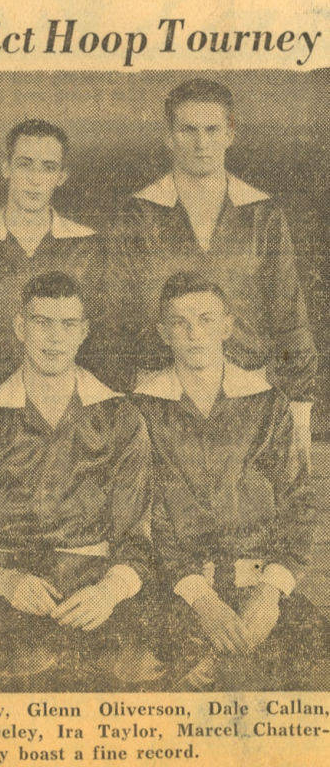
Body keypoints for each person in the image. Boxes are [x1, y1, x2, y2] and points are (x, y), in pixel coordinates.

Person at [0, 271, 161, 691]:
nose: (54, 337)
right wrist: (4, 582)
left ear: (84, 332)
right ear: (19, 327)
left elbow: (137, 536)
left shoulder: (119, 417)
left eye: (68, 324)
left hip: (96, 599)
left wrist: (108, 592)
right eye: (42, 322)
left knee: (140, 678)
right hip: (7, 604)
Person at [132, 271, 327, 690]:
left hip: (261, 588)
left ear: (227, 326)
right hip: (179, 591)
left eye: (206, 319)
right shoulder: (140, 410)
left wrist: (271, 591)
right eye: (180, 323)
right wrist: (202, 598)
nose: (194, 333)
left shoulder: (267, 402)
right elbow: (144, 515)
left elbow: (300, 504)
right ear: (164, 333)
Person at [112, 79, 317, 467]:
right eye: (188, 130)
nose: (201, 143)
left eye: (212, 129)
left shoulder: (263, 214)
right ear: (168, 137)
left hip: (250, 403)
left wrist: (301, 409)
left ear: (230, 134)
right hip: (162, 404)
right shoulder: (137, 214)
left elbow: (290, 316)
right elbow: (117, 321)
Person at [0, 119, 120, 393]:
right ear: (5, 168)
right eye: (25, 164)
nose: (35, 179)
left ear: (62, 176)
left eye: (48, 167)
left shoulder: (89, 247)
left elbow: (103, 344)